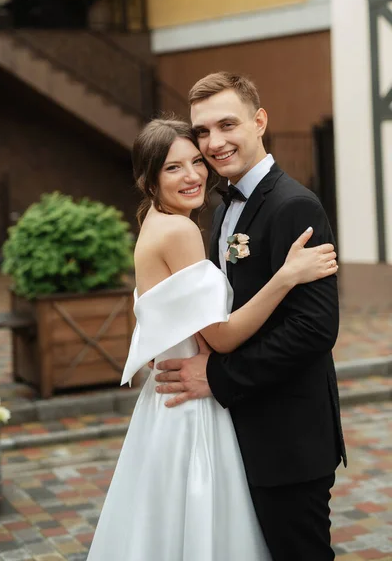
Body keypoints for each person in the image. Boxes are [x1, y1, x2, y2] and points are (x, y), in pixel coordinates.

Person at [86, 116, 338, 561]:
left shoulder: (154, 222)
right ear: (147, 179)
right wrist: (285, 276)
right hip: (193, 401)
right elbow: (221, 338)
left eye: (196, 162)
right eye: (173, 168)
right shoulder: (181, 230)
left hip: (172, 398)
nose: (193, 175)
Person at [154, 73, 347, 561]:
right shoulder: (219, 211)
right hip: (236, 433)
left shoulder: (295, 205)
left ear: (259, 122)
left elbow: (314, 329)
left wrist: (215, 376)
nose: (214, 143)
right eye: (203, 132)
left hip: (288, 438)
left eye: (227, 125)